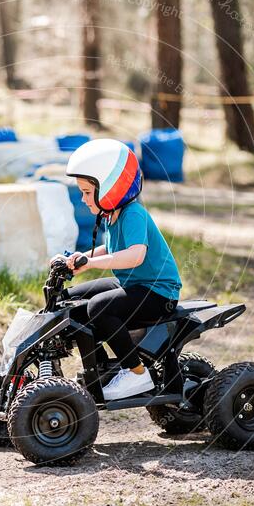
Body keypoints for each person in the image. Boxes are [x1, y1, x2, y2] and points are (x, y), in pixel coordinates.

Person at [53, 139, 182, 401]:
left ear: (111, 189)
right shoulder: (112, 214)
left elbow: (135, 255)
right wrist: (79, 259)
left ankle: (136, 373)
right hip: (134, 285)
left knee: (98, 308)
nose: (82, 198)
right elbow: (109, 247)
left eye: (87, 192)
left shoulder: (133, 213)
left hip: (158, 292)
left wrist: (92, 264)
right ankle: (100, 368)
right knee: (70, 301)